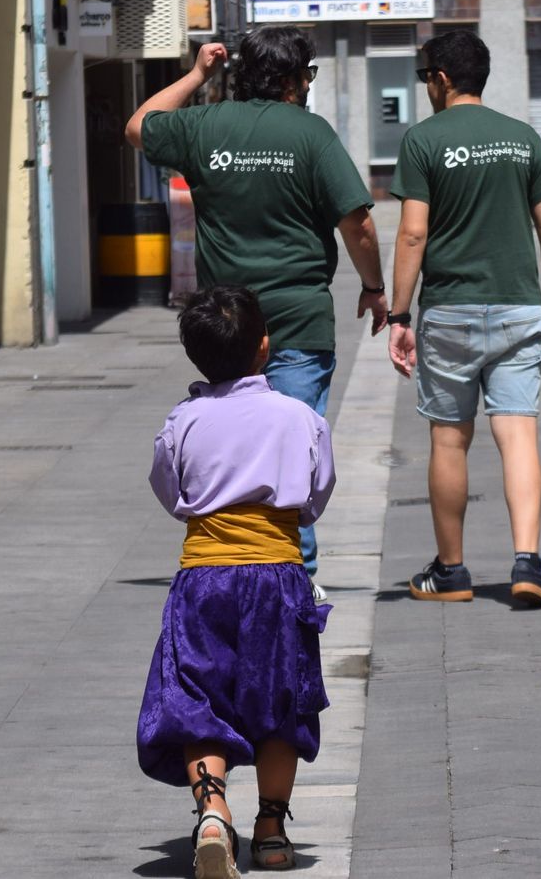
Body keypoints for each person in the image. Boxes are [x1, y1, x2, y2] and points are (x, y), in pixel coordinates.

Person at [125, 29, 387, 594]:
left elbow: (138, 125)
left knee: (230, 448)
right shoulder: (312, 134)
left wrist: (197, 75)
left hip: (230, 327)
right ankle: (295, 576)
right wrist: (374, 286)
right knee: (291, 452)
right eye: (309, 75)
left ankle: (232, 564)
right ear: (295, 79)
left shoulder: (204, 125)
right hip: (298, 319)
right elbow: (358, 223)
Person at [137, 286, 335, 878]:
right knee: (281, 701)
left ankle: (214, 812)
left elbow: (171, 494)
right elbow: (316, 495)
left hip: (203, 580)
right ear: (264, 347)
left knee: (197, 698)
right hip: (277, 576)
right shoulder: (299, 417)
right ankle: (271, 832)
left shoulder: (184, 421)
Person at [385, 28, 541, 607]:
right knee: (517, 433)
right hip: (518, 306)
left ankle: (451, 571)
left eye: (425, 78)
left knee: (449, 440)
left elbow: (413, 232)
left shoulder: (422, 141)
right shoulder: (522, 139)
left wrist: (398, 313)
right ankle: (528, 564)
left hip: (450, 311)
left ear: (442, 79)